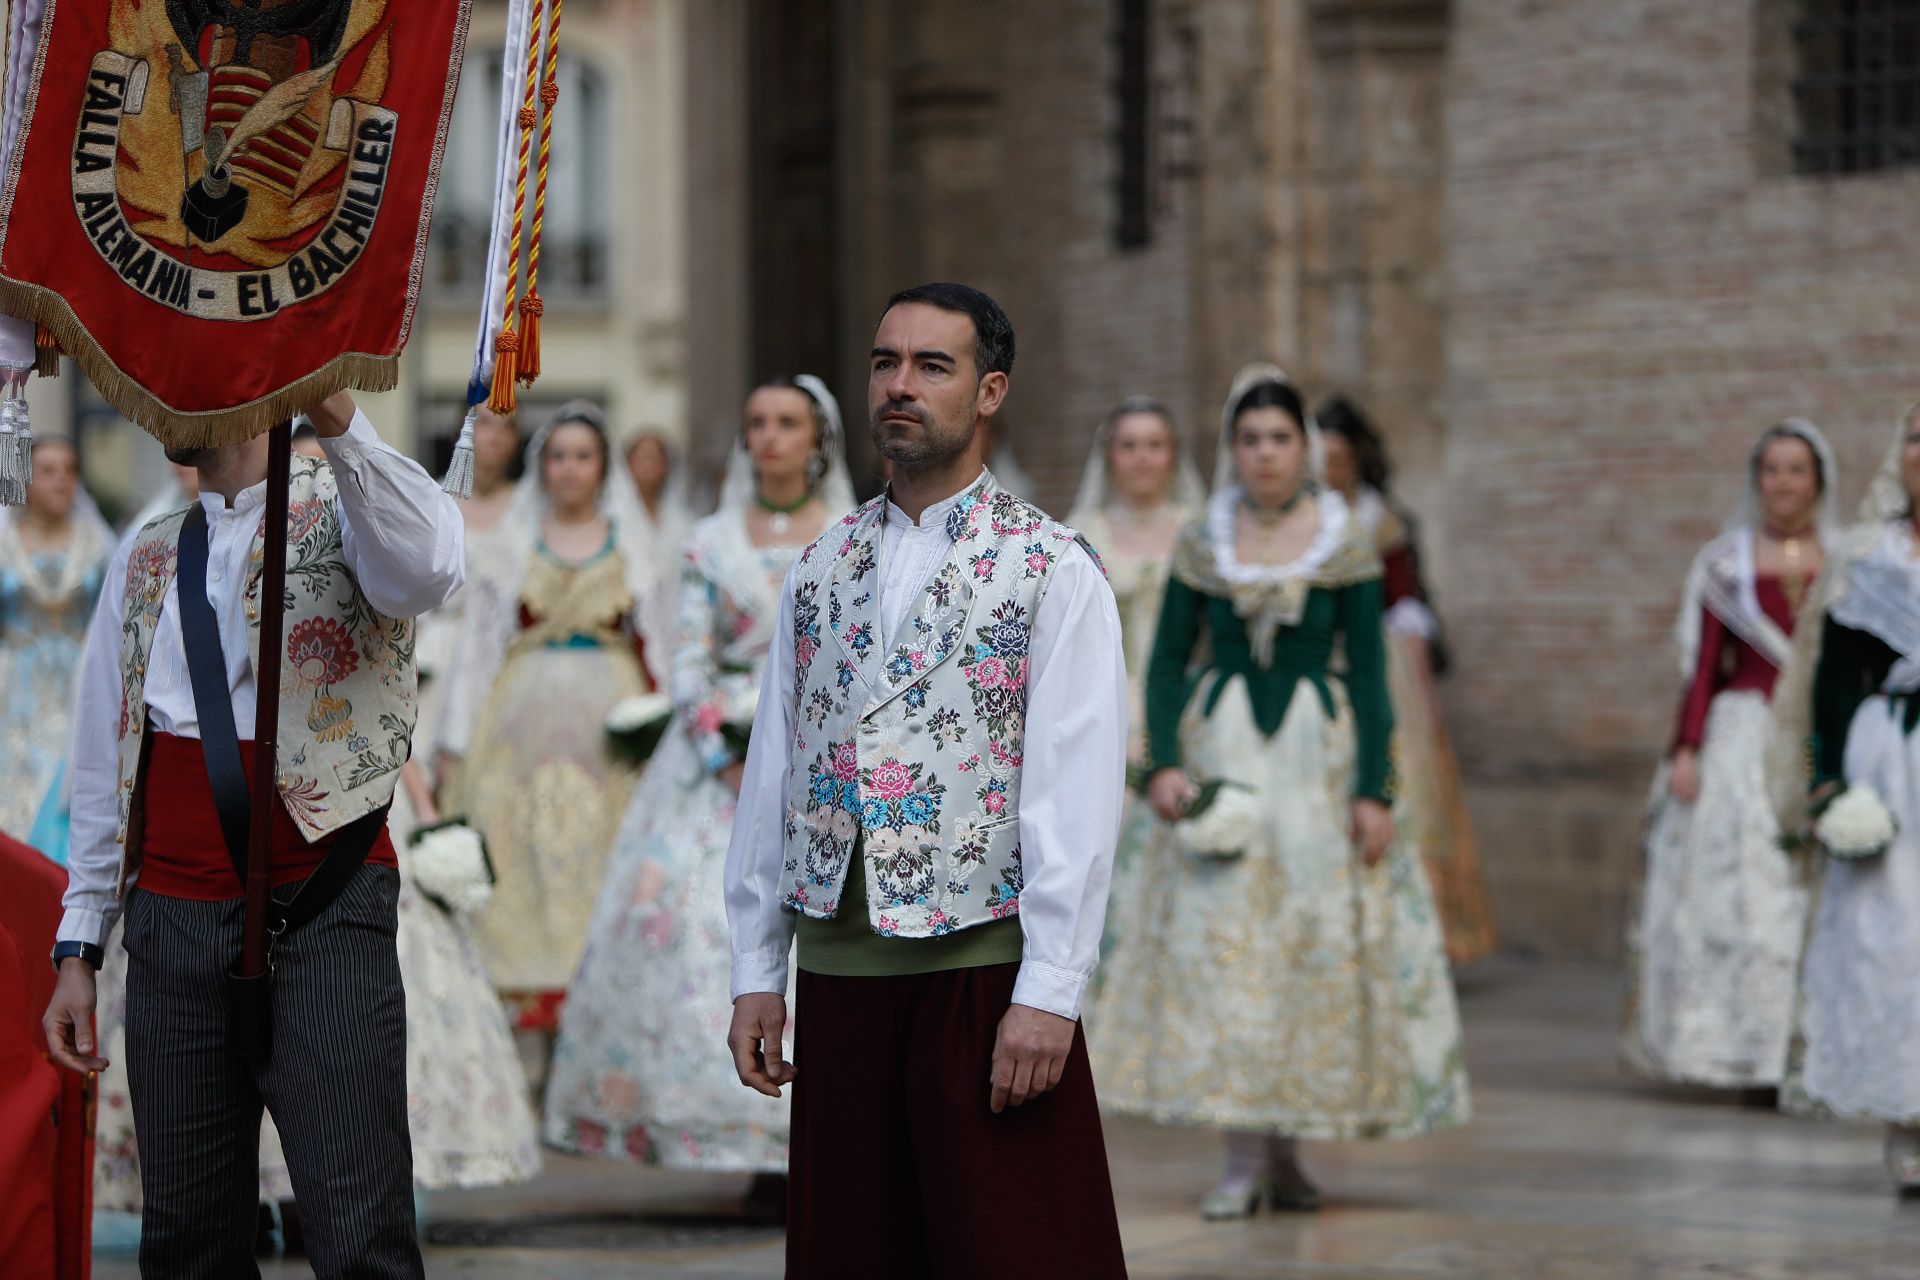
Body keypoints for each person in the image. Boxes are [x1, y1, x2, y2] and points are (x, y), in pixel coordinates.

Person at [723, 283, 1130, 1277]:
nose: (900, 386)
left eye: (932, 366)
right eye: (885, 362)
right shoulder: (818, 565)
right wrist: (754, 969)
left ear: (990, 390)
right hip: (840, 971)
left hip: (980, 973)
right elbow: (777, 770)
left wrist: (1050, 992)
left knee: (1012, 1251)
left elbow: (1075, 787)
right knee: (856, 1251)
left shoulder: (1053, 566)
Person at [42, 391, 464, 1277]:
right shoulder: (147, 550)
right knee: (188, 1244)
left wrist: (332, 408)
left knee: (360, 1237)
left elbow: (426, 568)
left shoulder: (352, 505)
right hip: (170, 922)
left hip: (323, 910)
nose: (160, 393)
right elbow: (104, 756)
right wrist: (80, 943)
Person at [1092, 364, 1470, 1218]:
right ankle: (1238, 1159)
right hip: (1220, 746)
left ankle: (1288, 1155)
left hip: (1315, 761)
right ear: (1234, 450)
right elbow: (1163, 663)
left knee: (1303, 943)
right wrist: (1160, 768)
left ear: (1306, 449)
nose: (1265, 454)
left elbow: (1371, 675)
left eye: (1280, 439)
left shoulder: (1343, 541)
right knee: (1227, 944)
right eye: (1251, 439)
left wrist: (1375, 788)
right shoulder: (1203, 541)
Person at [546, 376, 855, 1206]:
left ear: (817, 437)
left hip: (829, 764)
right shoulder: (707, 540)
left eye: (787, 423)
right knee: (696, 921)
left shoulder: (852, 537)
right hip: (716, 766)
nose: (770, 437)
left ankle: (825, 1140)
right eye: (757, 422)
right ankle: (737, 1132)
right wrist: (723, 746)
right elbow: (687, 654)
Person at [441, 401, 658, 1064]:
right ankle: (525, 1054)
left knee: (602, 865)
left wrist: (665, 733)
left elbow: (664, 640)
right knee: (520, 862)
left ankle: (595, 1046)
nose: (568, 469)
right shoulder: (510, 540)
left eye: (582, 456)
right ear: (543, 464)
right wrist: (454, 741)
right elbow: (479, 647)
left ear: (603, 466)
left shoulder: (636, 540)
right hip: (520, 721)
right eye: (557, 456)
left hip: (609, 727)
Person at [1622, 420, 1835, 1091]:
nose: (1783, 483)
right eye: (1771, 469)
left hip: (1814, 740)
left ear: (1818, 482)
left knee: (1801, 897)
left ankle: (1807, 1049)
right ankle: (1738, 1051)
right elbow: (1707, 664)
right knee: (1738, 892)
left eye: (1796, 470)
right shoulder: (1724, 565)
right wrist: (1685, 749)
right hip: (1740, 739)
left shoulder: (1845, 562)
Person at [1782, 404, 1920, 1190]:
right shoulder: (1870, 559)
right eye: (1914, 437)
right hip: (1891, 760)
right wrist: (1828, 783)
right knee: (1892, 938)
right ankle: (1909, 1116)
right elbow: (1833, 681)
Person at [1317, 396, 1498, 966]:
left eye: (1339, 458)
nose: (1330, 469)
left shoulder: (1382, 519)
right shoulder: (1296, 520)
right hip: (1318, 667)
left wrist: (1418, 691)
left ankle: (1419, 931)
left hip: (1380, 668)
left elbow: (1406, 606)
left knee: (1406, 788)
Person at [0, 435, 112, 843]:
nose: (60, 481)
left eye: (69, 471)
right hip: (14, 688)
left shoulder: (97, 544)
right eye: (47, 472)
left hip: (79, 684)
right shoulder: (4, 540)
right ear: (26, 480)